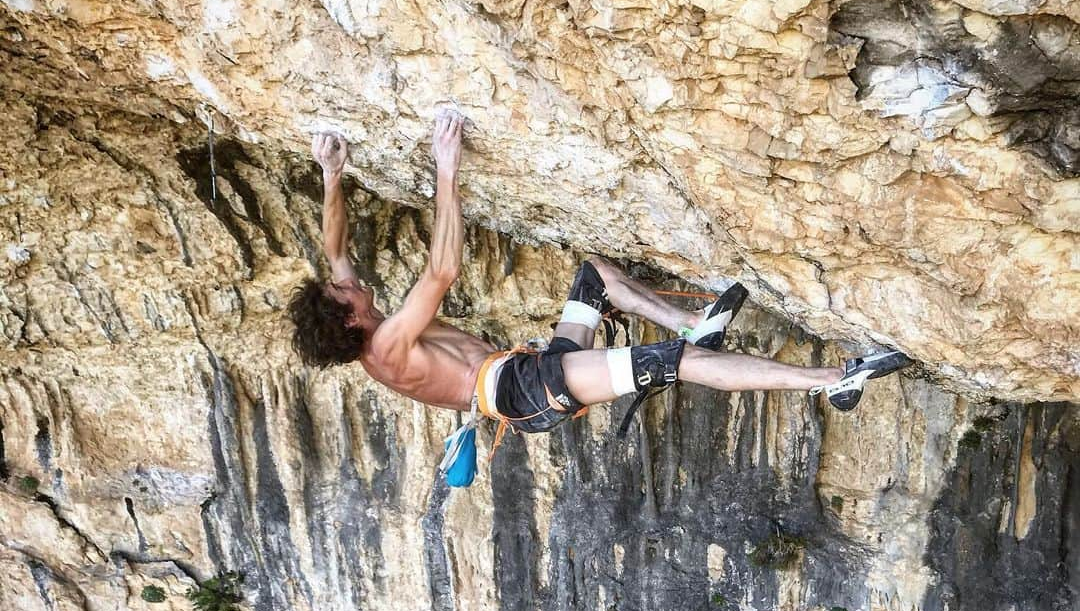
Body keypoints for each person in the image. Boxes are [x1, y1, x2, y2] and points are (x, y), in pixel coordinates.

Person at [288, 112, 909, 442]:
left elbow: (334, 248)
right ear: (348, 317)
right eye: (341, 292)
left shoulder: (367, 326)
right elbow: (441, 269)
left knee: (596, 280)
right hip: (521, 388)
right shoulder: (387, 346)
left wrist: (331, 174)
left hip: (525, 378)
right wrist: (445, 168)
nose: (345, 280)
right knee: (674, 364)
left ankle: (696, 322)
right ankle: (831, 381)